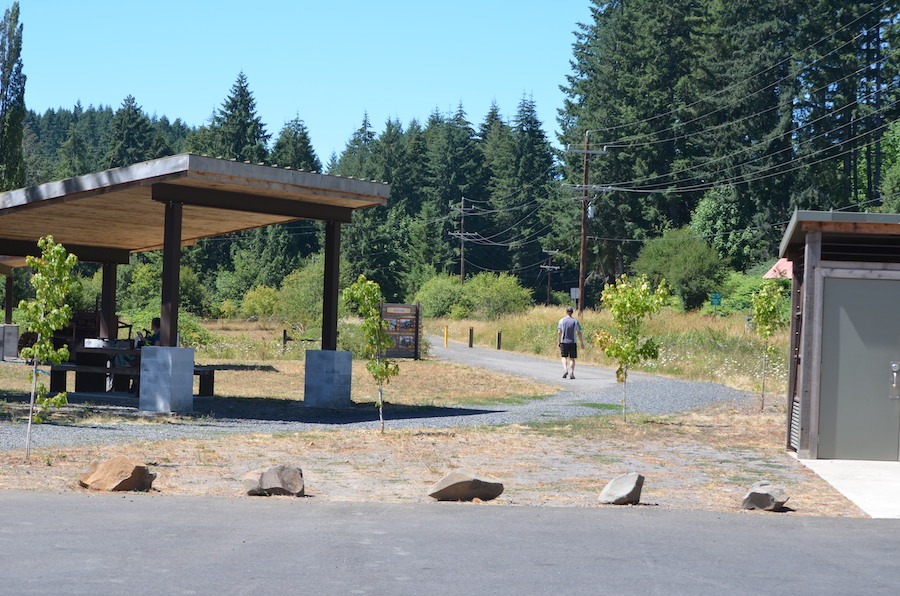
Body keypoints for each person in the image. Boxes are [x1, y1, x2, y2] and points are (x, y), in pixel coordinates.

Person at [557, 306, 585, 379]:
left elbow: (559, 332)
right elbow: (579, 332)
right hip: (573, 342)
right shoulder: (575, 322)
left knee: (564, 356)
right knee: (572, 358)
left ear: (566, 312)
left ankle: (565, 369)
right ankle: (572, 372)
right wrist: (582, 343)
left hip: (564, 341)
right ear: (572, 312)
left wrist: (558, 341)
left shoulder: (561, 321)